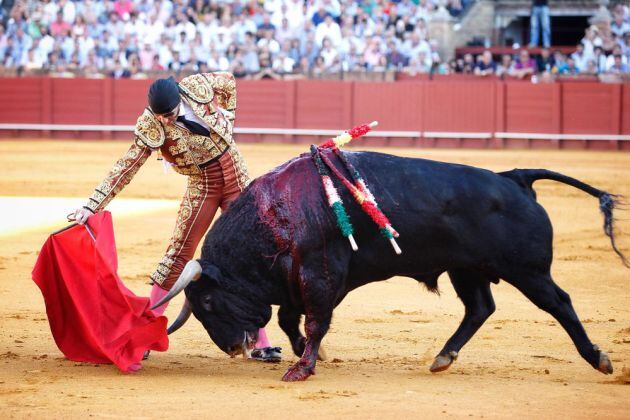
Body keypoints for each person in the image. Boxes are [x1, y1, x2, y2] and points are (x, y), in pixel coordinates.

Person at [72, 74, 281, 362]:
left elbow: (229, 82)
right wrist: (92, 206)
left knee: (247, 258)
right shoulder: (152, 124)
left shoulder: (197, 86)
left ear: (179, 101)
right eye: (160, 117)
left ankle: (259, 341)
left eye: (169, 115)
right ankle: (145, 333)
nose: (166, 122)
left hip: (237, 176)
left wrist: (228, 114)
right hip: (203, 184)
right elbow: (126, 167)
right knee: (178, 253)